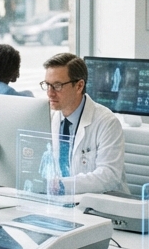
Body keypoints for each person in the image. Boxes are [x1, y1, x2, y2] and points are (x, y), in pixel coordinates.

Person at [41, 52, 126, 195]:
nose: (50, 93)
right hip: (61, 200)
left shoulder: (107, 123)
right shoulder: (48, 118)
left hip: (100, 202)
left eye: (57, 86)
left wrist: (62, 186)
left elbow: (109, 176)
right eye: (47, 85)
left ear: (79, 86)